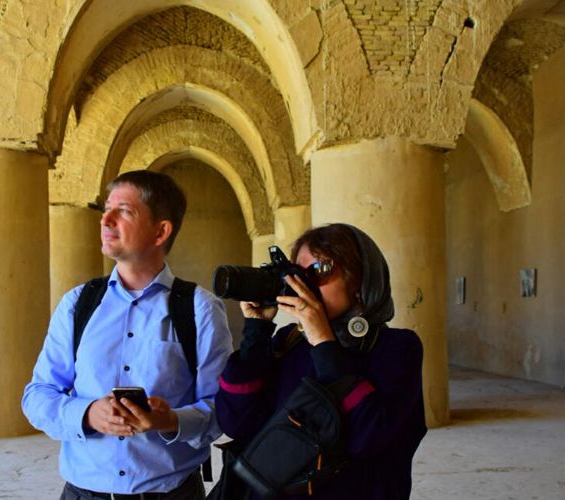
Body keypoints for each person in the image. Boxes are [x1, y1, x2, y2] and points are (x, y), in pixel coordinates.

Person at [22, 170, 233, 499]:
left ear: (161, 231)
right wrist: (88, 413)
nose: (105, 219)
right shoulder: (78, 304)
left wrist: (169, 421)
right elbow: (37, 396)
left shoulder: (200, 309)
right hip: (83, 493)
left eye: (124, 211)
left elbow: (222, 410)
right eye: (107, 208)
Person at [215, 223, 427, 499]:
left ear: (360, 282)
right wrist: (256, 332)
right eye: (298, 274)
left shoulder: (396, 347)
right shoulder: (288, 342)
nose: (305, 286)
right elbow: (237, 423)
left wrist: (323, 341)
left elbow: (368, 436)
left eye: (319, 271)